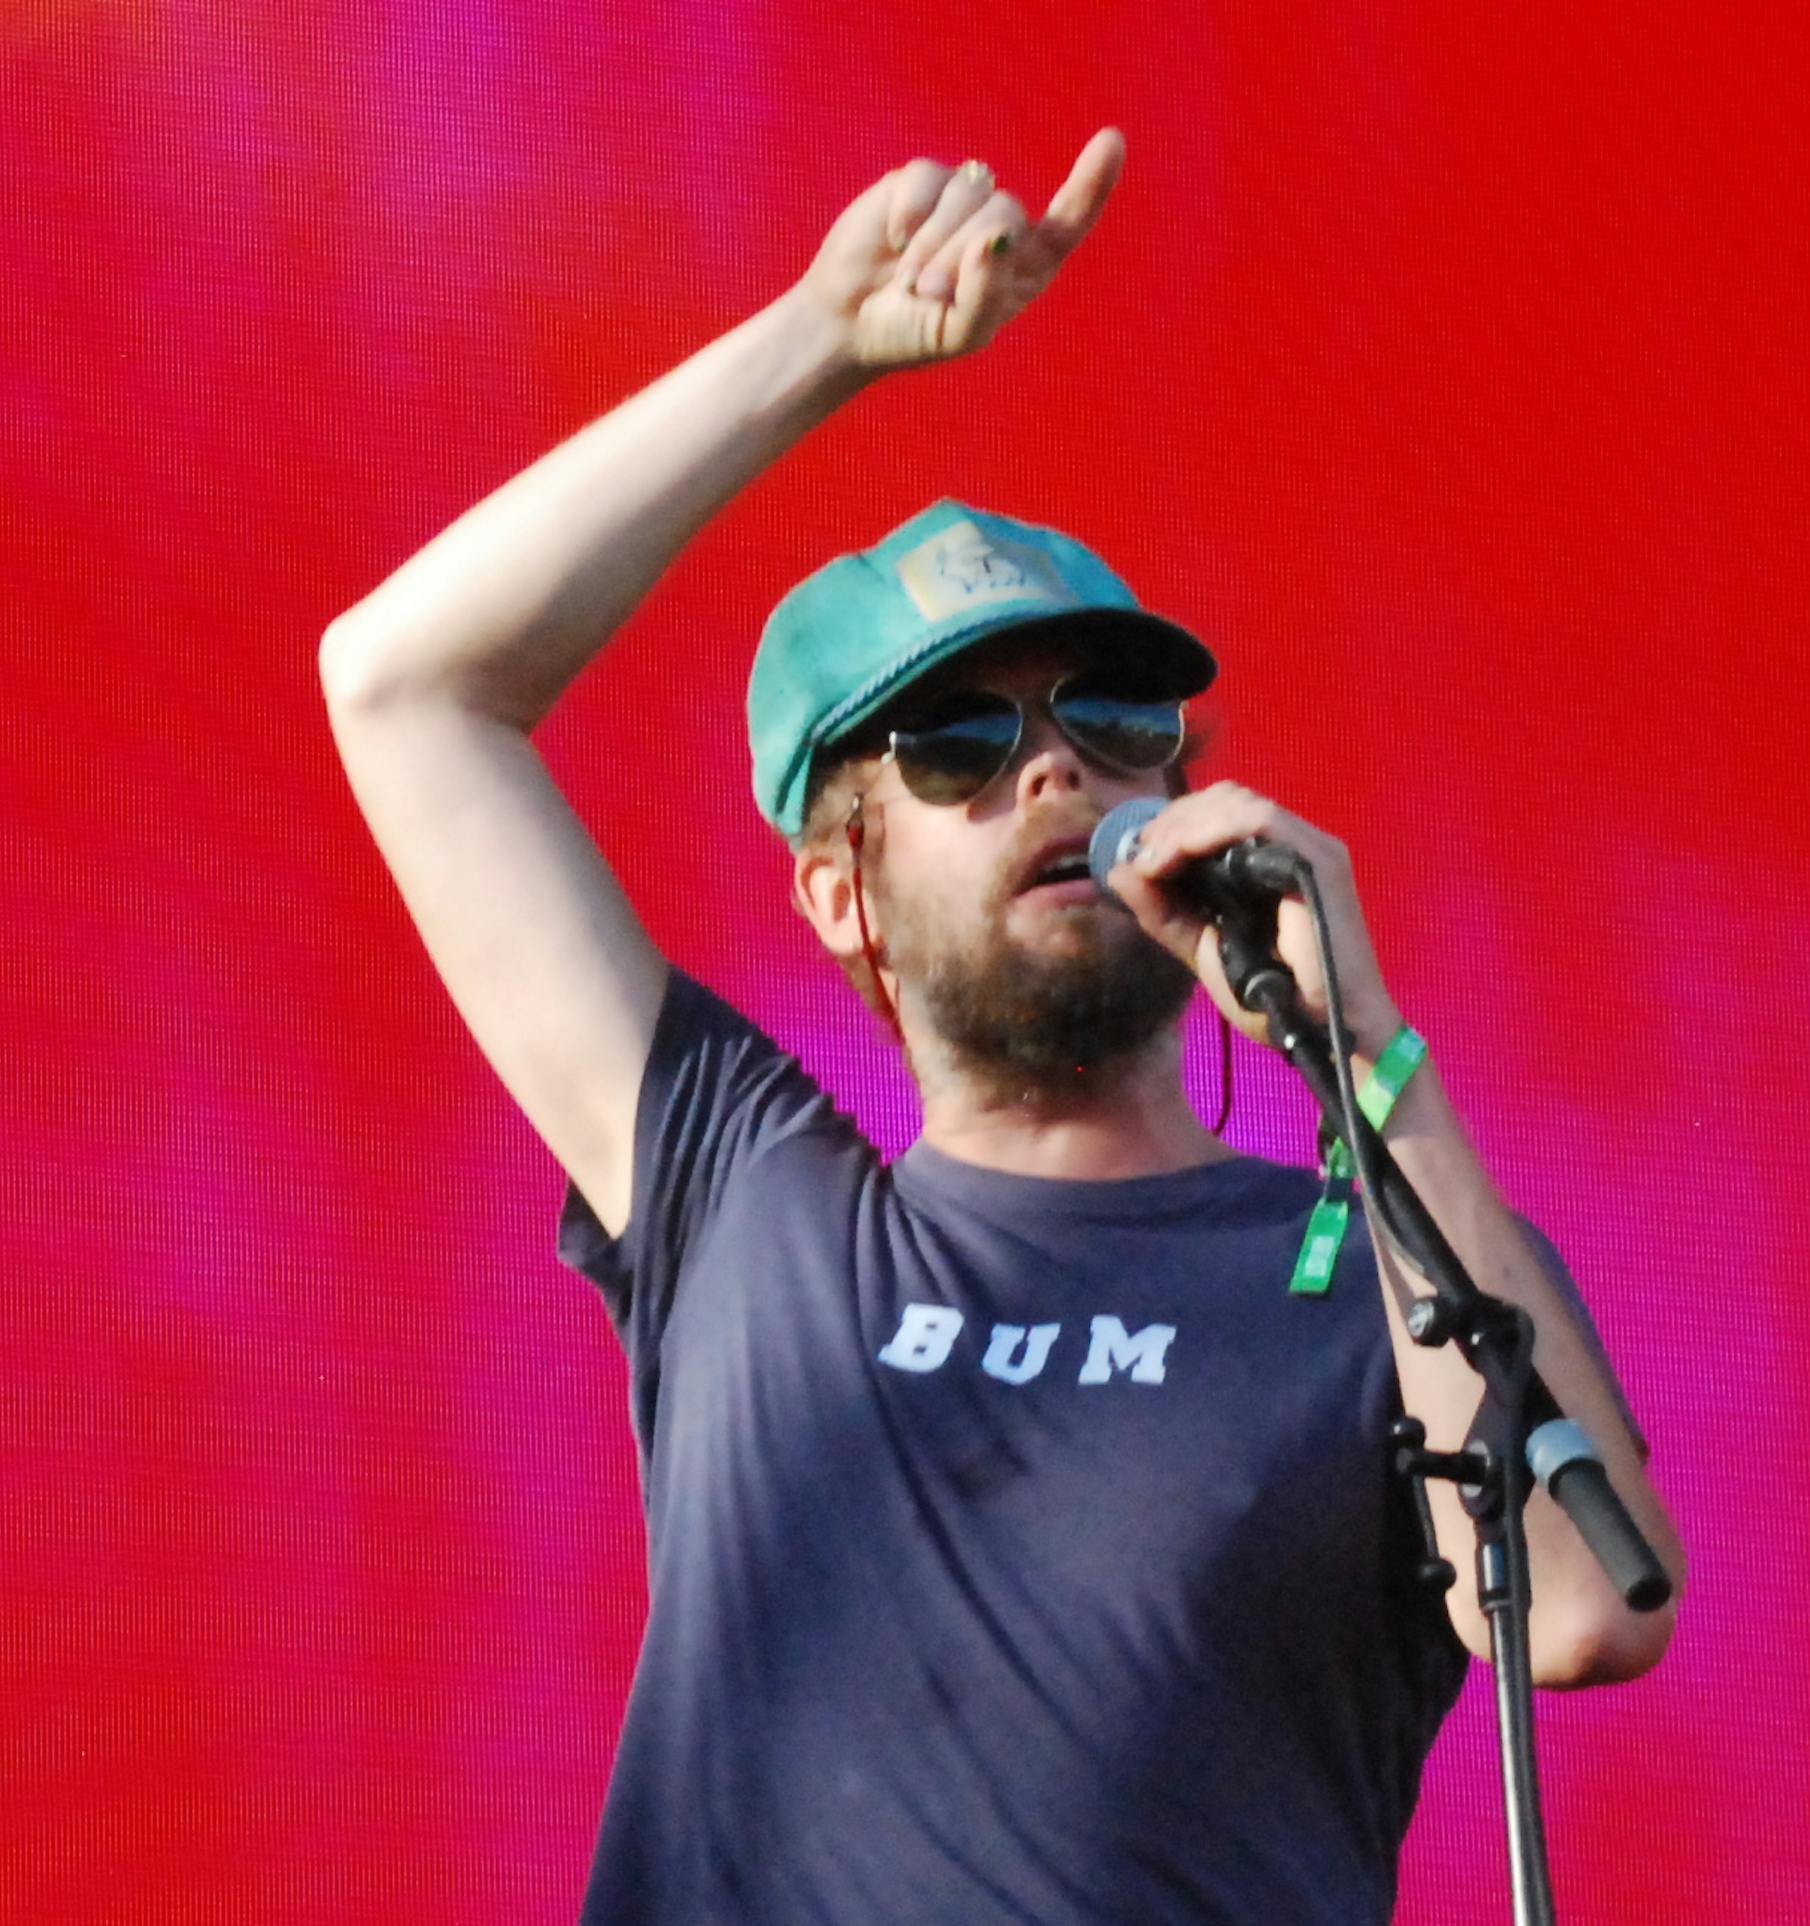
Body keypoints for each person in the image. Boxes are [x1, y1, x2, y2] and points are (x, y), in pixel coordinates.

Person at [319, 128, 1684, 1925]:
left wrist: (1372, 1060)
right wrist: (821, 336)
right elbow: (407, 689)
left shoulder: (1376, 1253)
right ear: (840, 892)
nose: (1054, 760)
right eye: (959, 747)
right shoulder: (748, 1196)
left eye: (1112, 715)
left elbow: (1589, 1606)